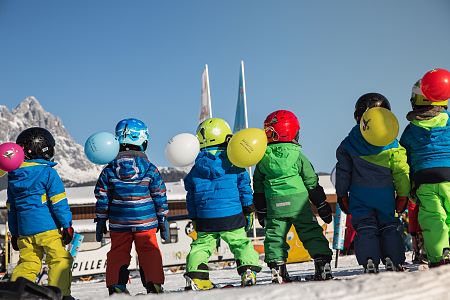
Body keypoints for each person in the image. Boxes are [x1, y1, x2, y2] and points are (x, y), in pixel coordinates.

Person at [253, 110, 333, 283]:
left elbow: (258, 186)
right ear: (291, 132)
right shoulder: (297, 155)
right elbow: (311, 180)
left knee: (274, 235)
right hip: (299, 202)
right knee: (310, 231)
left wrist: (261, 209)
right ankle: (322, 265)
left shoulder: (262, 157)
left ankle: (277, 269)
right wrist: (321, 203)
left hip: (275, 203)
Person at [335, 93, 410, 273]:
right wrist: (403, 194)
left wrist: (341, 194)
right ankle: (394, 258)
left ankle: (369, 259)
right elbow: (401, 171)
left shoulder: (349, 143)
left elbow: (343, 172)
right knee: (389, 225)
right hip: (385, 194)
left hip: (360, 195)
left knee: (365, 227)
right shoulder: (392, 144)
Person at [183, 118, 261, 290]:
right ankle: (248, 270)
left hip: (205, 216)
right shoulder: (235, 162)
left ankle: (197, 276)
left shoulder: (195, 169)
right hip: (232, 214)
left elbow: (191, 195)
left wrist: (194, 217)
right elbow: (244, 187)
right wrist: (248, 209)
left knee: (201, 246)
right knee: (240, 243)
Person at [94, 118, 169, 294]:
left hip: (119, 222)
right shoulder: (150, 168)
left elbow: (102, 196)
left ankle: (117, 285)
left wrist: (101, 219)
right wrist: (163, 218)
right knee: (149, 250)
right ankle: (154, 283)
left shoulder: (109, 170)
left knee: (118, 252)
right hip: (146, 221)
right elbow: (159, 194)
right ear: (143, 141)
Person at [7, 127, 75, 299]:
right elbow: (59, 202)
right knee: (60, 259)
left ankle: (14, 294)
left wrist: (14, 233)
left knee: (28, 263)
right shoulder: (48, 172)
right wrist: (67, 225)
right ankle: (60, 294)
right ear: (42, 149)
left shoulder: (14, 177)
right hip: (47, 229)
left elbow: (12, 209)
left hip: (24, 231)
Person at [399, 80, 450, 267]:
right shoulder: (449, 120)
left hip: (424, 178)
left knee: (433, 217)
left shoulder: (411, 129)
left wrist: (409, 185)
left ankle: (439, 255)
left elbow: (404, 158)